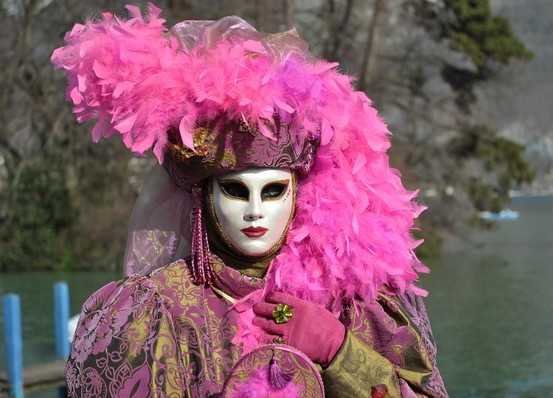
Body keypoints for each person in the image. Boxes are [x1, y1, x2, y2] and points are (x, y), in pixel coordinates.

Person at [52, 4, 448, 397]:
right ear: (204, 195)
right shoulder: (157, 311)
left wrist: (339, 352)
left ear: (298, 193)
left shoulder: (354, 302)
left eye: (274, 190)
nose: (256, 210)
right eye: (236, 190)